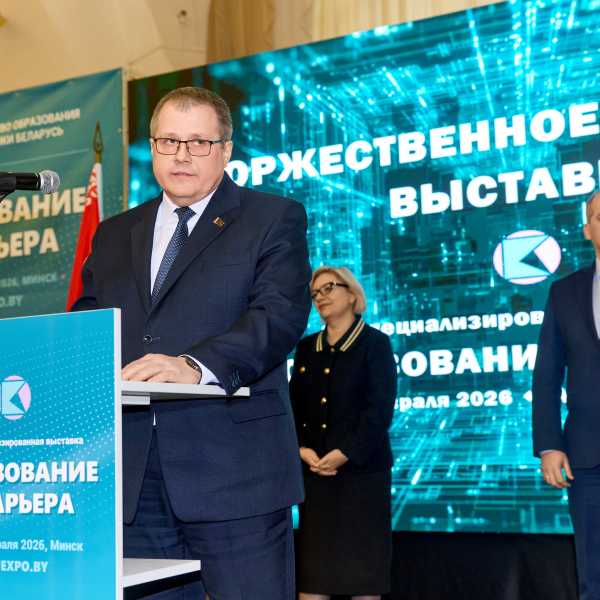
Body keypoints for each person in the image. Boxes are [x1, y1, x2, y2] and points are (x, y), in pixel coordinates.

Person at [72, 86, 312, 599]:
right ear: (153, 147)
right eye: (169, 141)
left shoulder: (273, 217)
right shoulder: (114, 234)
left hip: (236, 473)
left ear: (226, 150)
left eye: (199, 142)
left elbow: (278, 316)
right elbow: (88, 324)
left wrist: (195, 366)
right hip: (132, 480)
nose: (181, 155)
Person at [289, 266, 397, 600]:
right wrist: (301, 449)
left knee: (363, 579)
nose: (320, 297)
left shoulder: (375, 344)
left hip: (363, 479)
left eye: (328, 288)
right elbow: (293, 407)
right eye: (315, 293)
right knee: (314, 578)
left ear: (352, 294)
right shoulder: (306, 348)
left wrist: (345, 452)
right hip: (316, 479)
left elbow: (379, 410)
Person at [533, 190, 600, 600]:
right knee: (594, 576)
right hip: (588, 459)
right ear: (587, 229)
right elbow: (547, 374)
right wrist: (549, 445)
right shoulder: (564, 292)